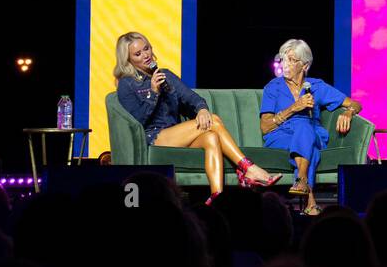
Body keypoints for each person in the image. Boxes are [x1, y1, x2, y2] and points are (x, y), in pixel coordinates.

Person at [113, 32, 281, 203]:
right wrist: (153, 93)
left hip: (175, 134)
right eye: (138, 54)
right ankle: (247, 168)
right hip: (153, 136)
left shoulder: (165, 75)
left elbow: (193, 98)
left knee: (211, 137)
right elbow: (138, 120)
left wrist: (201, 109)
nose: (146, 55)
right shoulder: (127, 83)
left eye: (146, 48)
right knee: (213, 121)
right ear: (128, 60)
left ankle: (217, 197)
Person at [260, 39, 362, 216]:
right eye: (284, 59)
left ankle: (303, 185)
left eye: (292, 60)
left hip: (312, 133)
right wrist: (294, 108)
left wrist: (348, 112)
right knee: (309, 143)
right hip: (281, 135)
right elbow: (265, 127)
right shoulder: (273, 87)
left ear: (305, 65)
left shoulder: (316, 87)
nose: (286, 64)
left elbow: (354, 103)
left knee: (304, 126)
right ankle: (309, 197)